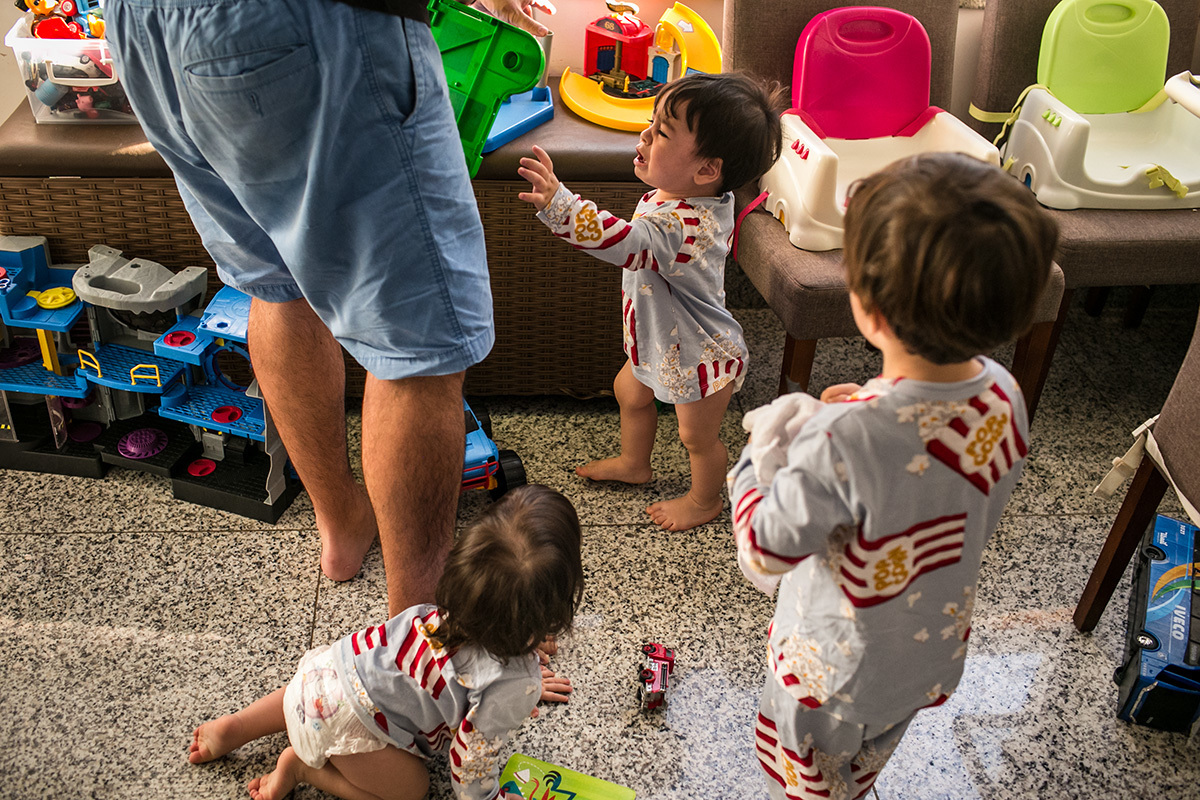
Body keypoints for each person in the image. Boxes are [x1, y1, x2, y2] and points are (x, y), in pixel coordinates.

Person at [103, 0, 551, 617]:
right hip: (305, 23)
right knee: (418, 346)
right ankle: (417, 635)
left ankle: (341, 524)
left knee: (277, 283)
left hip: (144, 29)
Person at [728, 152, 1058, 800]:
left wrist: (757, 461)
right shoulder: (1003, 393)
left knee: (810, 780)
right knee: (862, 763)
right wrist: (861, 408)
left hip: (830, 672)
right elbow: (925, 461)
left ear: (870, 309)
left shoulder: (840, 439)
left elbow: (764, 552)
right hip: (923, 650)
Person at [187, 484, 584, 800]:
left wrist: (518, 671)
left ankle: (237, 726)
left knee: (319, 692)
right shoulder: (513, 682)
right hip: (357, 729)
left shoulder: (443, 609)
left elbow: (472, 663)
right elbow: (470, 760)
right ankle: (303, 769)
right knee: (413, 790)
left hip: (323, 674)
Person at [518, 72, 785, 532]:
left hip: (700, 355)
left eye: (661, 132)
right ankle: (634, 463)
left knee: (696, 437)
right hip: (661, 340)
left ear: (707, 171)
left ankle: (704, 500)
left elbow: (623, 241)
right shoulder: (682, 197)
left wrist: (560, 204)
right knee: (629, 392)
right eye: (651, 122)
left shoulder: (684, 227)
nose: (644, 136)